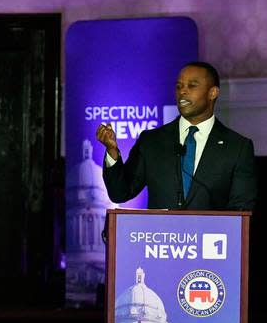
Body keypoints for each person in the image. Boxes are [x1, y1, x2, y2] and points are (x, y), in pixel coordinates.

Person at [95, 61, 256, 211]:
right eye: (179, 86)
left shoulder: (237, 148)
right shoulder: (151, 141)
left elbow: (240, 210)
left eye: (192, 86)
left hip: (210, 240)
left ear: (212, 93)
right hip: (160, 239)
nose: (182, 91)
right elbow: (120, 193)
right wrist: (112, 151)